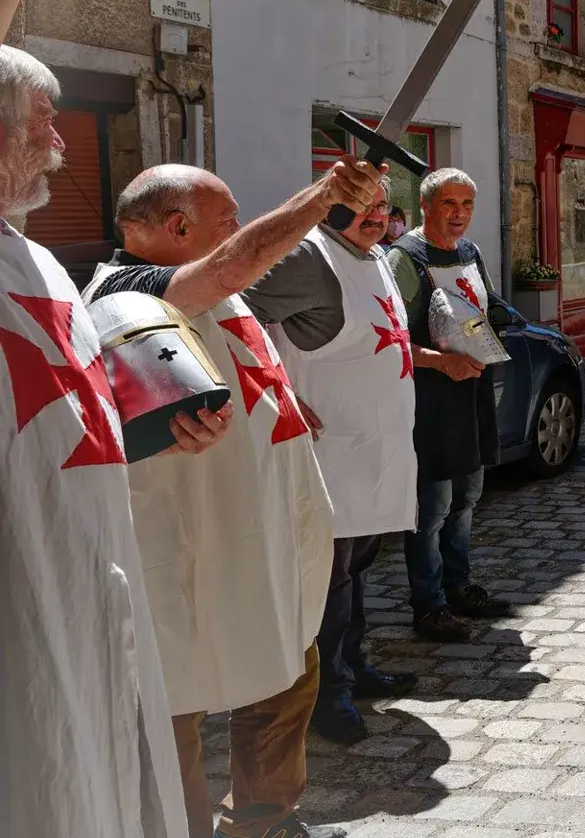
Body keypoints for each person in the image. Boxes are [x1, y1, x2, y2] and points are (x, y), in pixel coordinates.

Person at [85, 157, 384, 838]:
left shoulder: (199, 284)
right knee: (176, 694)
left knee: (287, 665)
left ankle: (263, 821)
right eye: (227, 222)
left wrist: (283, 397)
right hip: (191, 539)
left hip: (260, 521)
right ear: (177, 227)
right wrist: (322, 199)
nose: (238, 233)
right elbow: (229, 269)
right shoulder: (125, 291)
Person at [2, 42, 223, 838]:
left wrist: (153, 433)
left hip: (95, 567)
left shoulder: (39, 262)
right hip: (25, 584)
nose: (61, 142)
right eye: (43, 120)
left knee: (108, 774)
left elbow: (64, 418)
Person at [244, 182, 428, 746]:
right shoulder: (309, 257)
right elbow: (236, 311)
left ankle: (352, 665)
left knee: (357, 569)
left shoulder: (375, 257)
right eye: (362, 205)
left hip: (376, 447)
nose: (375, 216)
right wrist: (276, 388)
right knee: (330, 579)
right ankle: (327, 693)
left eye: (382, 206)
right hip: (332, 450)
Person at [387, 169, 513, 643]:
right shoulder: (404, 258)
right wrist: (441, 362)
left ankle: (458, 586)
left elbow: (483, 309)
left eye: (467, 204)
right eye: (448, 203)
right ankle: (429, 605)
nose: (459, 214)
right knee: (432, 505)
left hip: (470, 390)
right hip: (431, 396)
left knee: (467, 496)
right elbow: (391, 339)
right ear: (425, 205)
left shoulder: (469, 252)